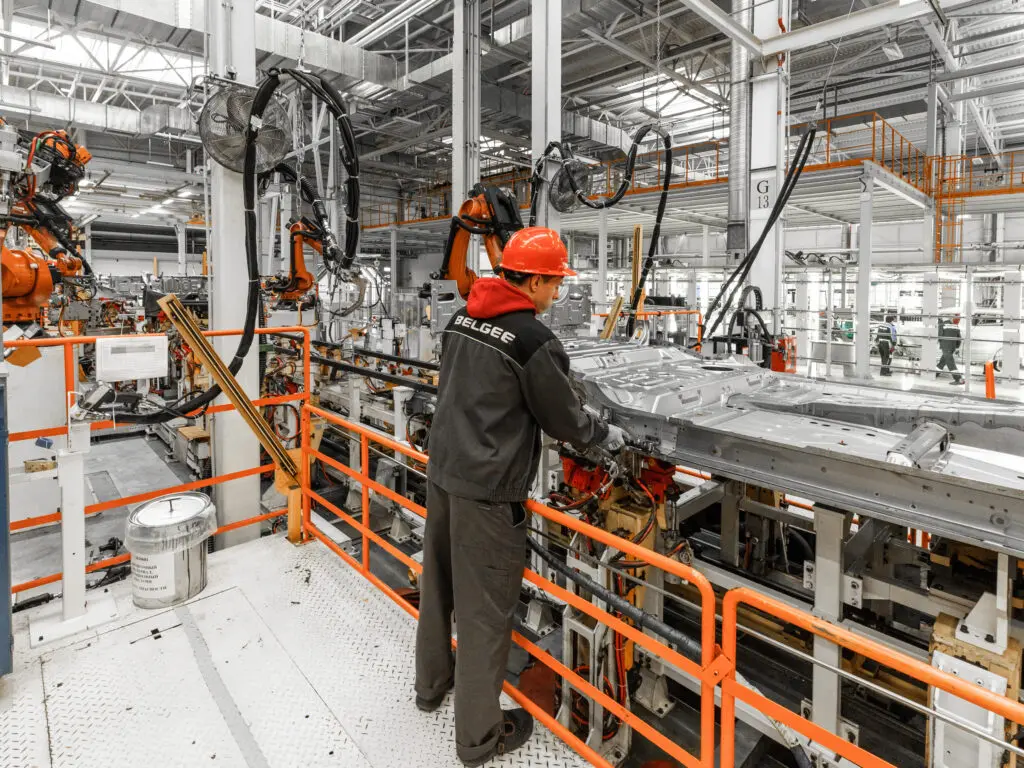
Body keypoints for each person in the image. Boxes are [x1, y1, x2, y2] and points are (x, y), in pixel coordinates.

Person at [415, 226, 625, 766]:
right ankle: (479, 739)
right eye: (554, 283)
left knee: (437, 588)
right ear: (532, 281)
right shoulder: (533, 341)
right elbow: (566, 421)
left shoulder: (461, 319)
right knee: (485, 616)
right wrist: (606, 436)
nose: (557, 292)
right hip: (488, 494)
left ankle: (431, 687)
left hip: (443, 474)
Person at [936, 315, 964, 385]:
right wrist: (957, 347)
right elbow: (959, 338)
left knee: (950, 363)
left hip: (945, 346)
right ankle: (935, 373)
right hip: (952, 347)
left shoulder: (942, 325)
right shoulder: (955, 326)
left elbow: (940, 336)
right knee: (942, 362)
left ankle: (958, 379)